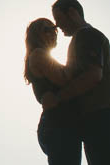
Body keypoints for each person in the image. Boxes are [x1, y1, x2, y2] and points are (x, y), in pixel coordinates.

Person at [42, 0, 110, 165]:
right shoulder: (82, 38)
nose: (57, 25)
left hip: (106, 119)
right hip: (106, 120)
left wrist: (57, 98)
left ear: (72, 12)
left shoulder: (86, 35)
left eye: (58, 19)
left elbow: (93, 76)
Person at [24, 18, 81, 165]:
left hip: (62, 124)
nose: (53, 33)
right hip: (57, 125)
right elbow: (64, 78)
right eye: (47, 30)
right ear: (36, 35)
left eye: (54, 29)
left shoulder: (44, 56)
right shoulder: (38, 54)